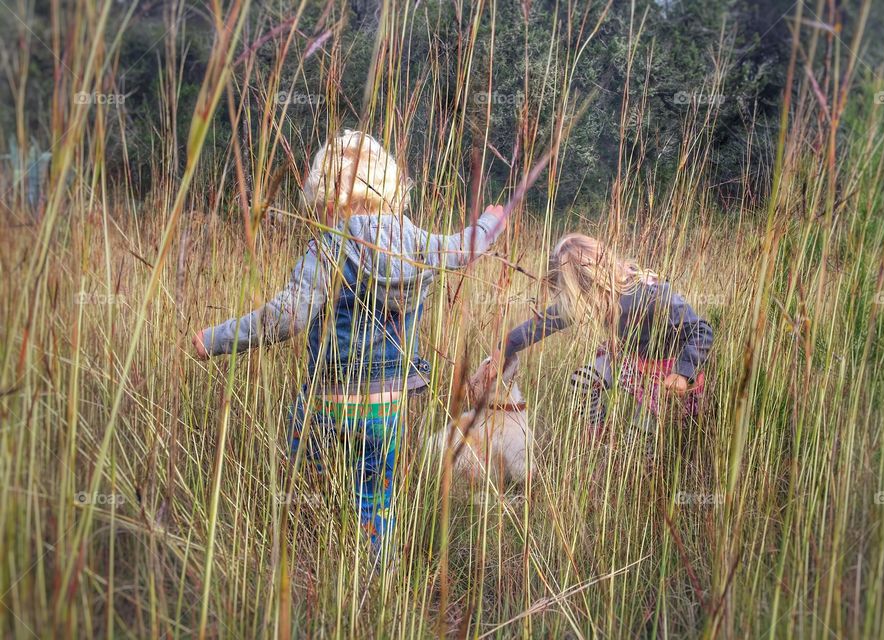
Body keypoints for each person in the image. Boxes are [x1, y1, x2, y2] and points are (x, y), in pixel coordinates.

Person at [192, 130, 508, 556]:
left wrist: (214, 339)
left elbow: (284, 319)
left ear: (324, 193)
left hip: (330, 399)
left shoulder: (332, 246)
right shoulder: (418, 242)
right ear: (389, 185)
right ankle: (377, 573)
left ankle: (306, 547)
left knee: (301, 463)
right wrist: (490, 221)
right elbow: (464, 246)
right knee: (376, 495)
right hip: (389, 406)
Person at [485, 232, 713, 439]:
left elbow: (701, 330)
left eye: (570, 296)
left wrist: (683, 374)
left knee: (641, 437)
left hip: (668, 372)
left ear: (587, 287)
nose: (571, 306)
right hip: (631, 361)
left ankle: (647, 460)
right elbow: (543, 323)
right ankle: (602, 438)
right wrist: (503, 348)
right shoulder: (591, 302)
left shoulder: (651, 296)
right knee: (582, 383)